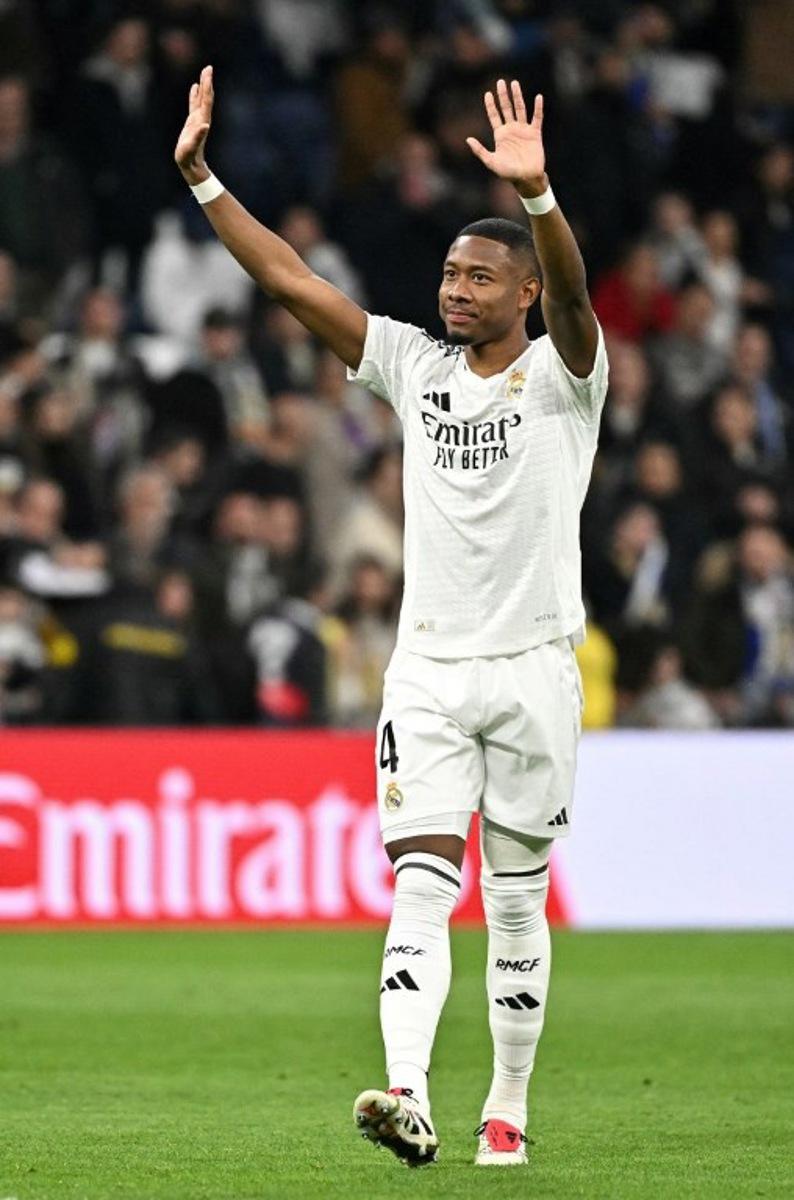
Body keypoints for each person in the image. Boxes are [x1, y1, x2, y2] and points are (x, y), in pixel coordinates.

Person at [175, 67, 607, 1168]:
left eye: (476, 278)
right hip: (425, 673)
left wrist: (539, 200)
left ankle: (503, 1109)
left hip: (531, 670)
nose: (454, 290)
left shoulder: (565, 378)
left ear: (518, 296)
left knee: (516, 908)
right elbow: (289, 281)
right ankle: (405, 1091)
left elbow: (570, 298)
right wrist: (202, 179)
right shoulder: (413, 365)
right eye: (449, 273)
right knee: (420, 881)